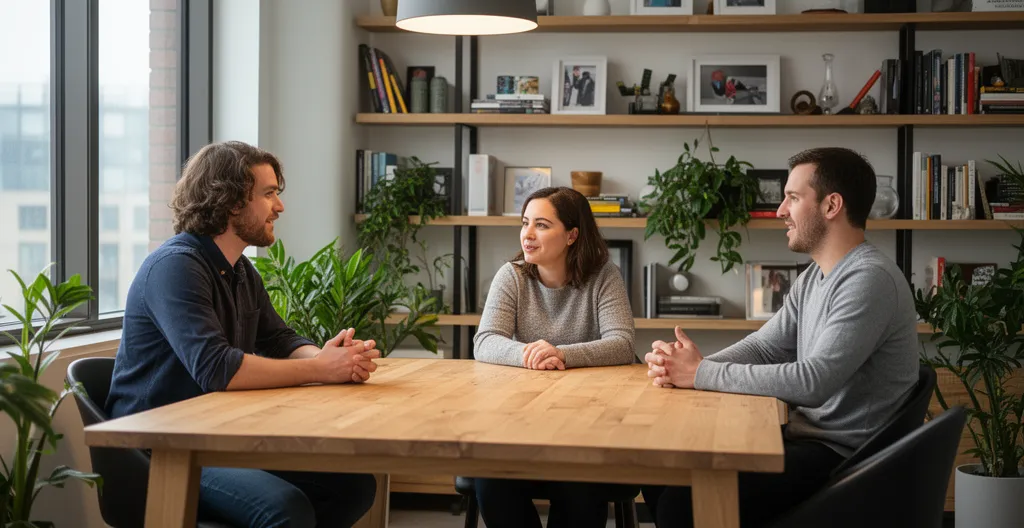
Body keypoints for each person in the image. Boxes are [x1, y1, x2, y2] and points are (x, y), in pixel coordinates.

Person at [105, 141, 380, 528]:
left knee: (352, 487)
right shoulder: (175, 267)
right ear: (231, 202)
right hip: (162, 446)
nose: (279, 207)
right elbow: (218, 368)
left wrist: (329, 358)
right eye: (268, 194)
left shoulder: (239, 270)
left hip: (215, 433)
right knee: (285, 509)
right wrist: (322, 369)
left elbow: (279, 339)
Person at [642, 147, 919, 528]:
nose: (780, 211)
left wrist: (700, 373)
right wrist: (686, 367)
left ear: (831, 205)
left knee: (681, 501)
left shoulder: (869, 279)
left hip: (846, 459)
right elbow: (766, 346)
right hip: (809, 438)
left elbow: (814, 382)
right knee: (663, 470)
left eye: (793, 198)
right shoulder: (815, 276)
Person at [472, 186, 637, 528]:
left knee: (581, 483)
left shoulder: (604, 276)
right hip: (521, 419)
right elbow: (485, 341)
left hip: (589, 421)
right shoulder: (512, 275)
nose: (528, 234)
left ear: (572, 235)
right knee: (490, 480)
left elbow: (622, 344)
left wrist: (561, 353)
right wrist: (530, 354)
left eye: (542, 225)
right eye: (525, 223)